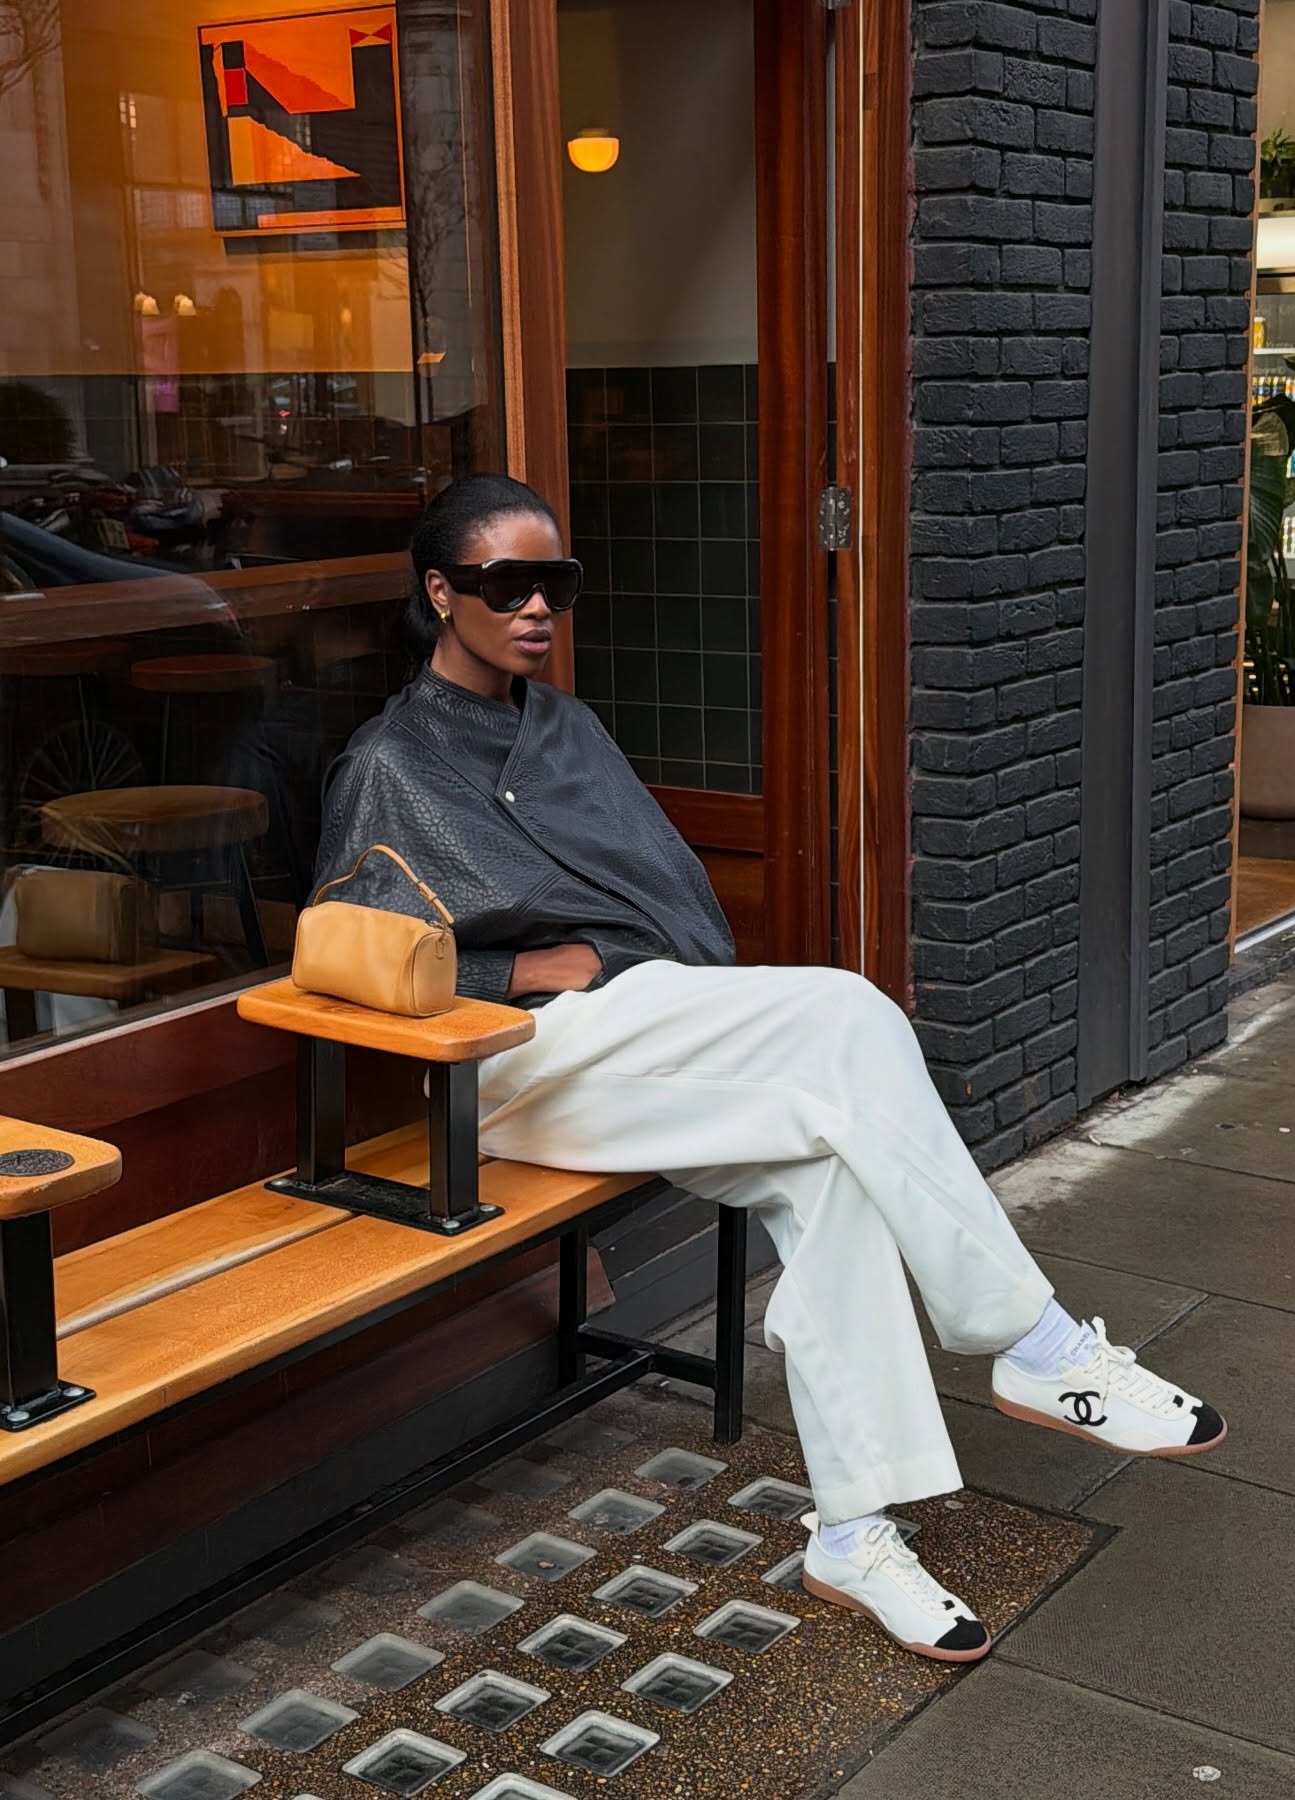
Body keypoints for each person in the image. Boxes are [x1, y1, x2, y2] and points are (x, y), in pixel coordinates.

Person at [314, 473, 1226, 1665]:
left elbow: (667, 901)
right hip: (512, 1072)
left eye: (557, 585)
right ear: (442, 593)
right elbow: (347, 959)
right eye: (505, 584)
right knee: (844, 1012)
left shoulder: (564, 727)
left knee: (833, 1174)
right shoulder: (388, 761)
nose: (536, 608)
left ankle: (852, 1528)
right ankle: (1035, 1342)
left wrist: (603, 952)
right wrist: (526, 973)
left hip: (638, 1031)